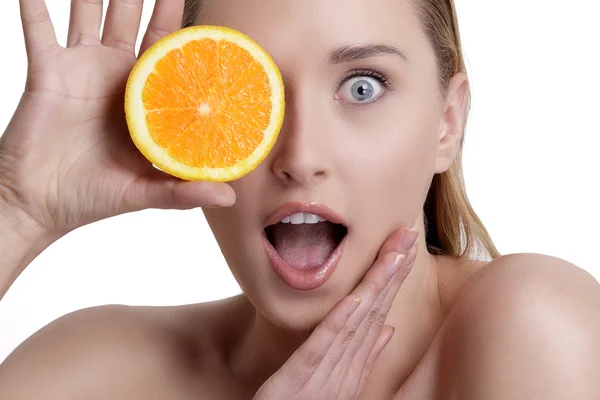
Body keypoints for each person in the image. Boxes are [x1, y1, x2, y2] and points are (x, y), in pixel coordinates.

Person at [0, 0, 598, 398]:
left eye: (362, 87)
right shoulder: (102, 368)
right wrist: (18, 208)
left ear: (447, 123)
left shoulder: (536, 323)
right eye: (246, 95)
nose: (299, 155)